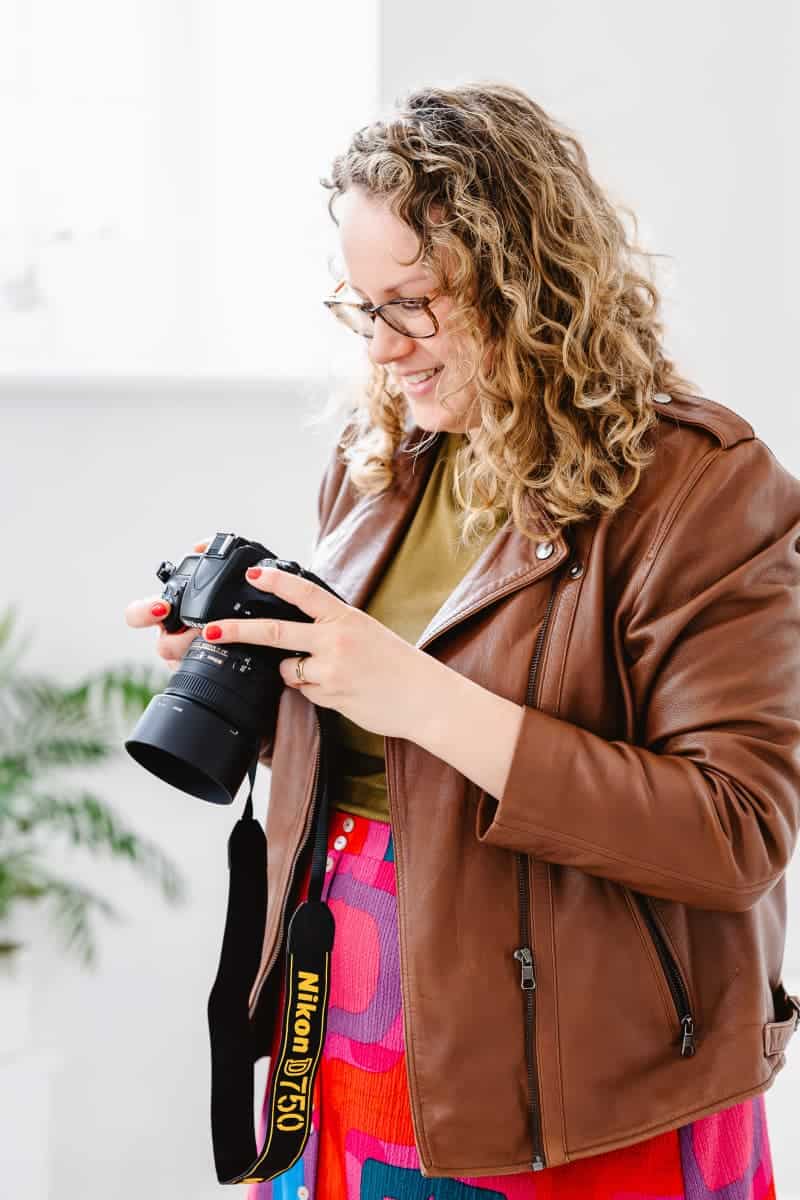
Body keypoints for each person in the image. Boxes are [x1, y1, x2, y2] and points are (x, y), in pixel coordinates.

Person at [126, 83, 800, 1198]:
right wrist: (266, 688)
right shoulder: (379, 459)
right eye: (360, 306)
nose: (383, 348)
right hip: (343, 1028)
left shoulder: (700, 486)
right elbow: (381, 753)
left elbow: (732, 835)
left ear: (526, 278)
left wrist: (414, 693)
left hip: (579, 1085)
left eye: (414, 301)